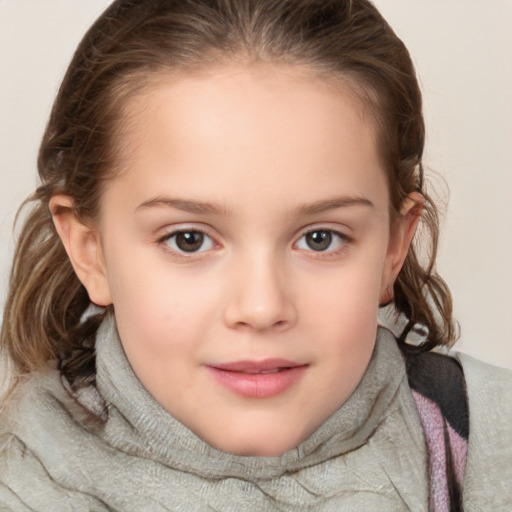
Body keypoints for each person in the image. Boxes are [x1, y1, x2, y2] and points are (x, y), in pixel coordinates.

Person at [0, 0, 510, 510]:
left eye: (320, 238)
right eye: (189, 239)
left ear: (393, 247)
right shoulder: (18, 479)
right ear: (91, 252)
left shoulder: (488, 443)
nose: (262, 308)